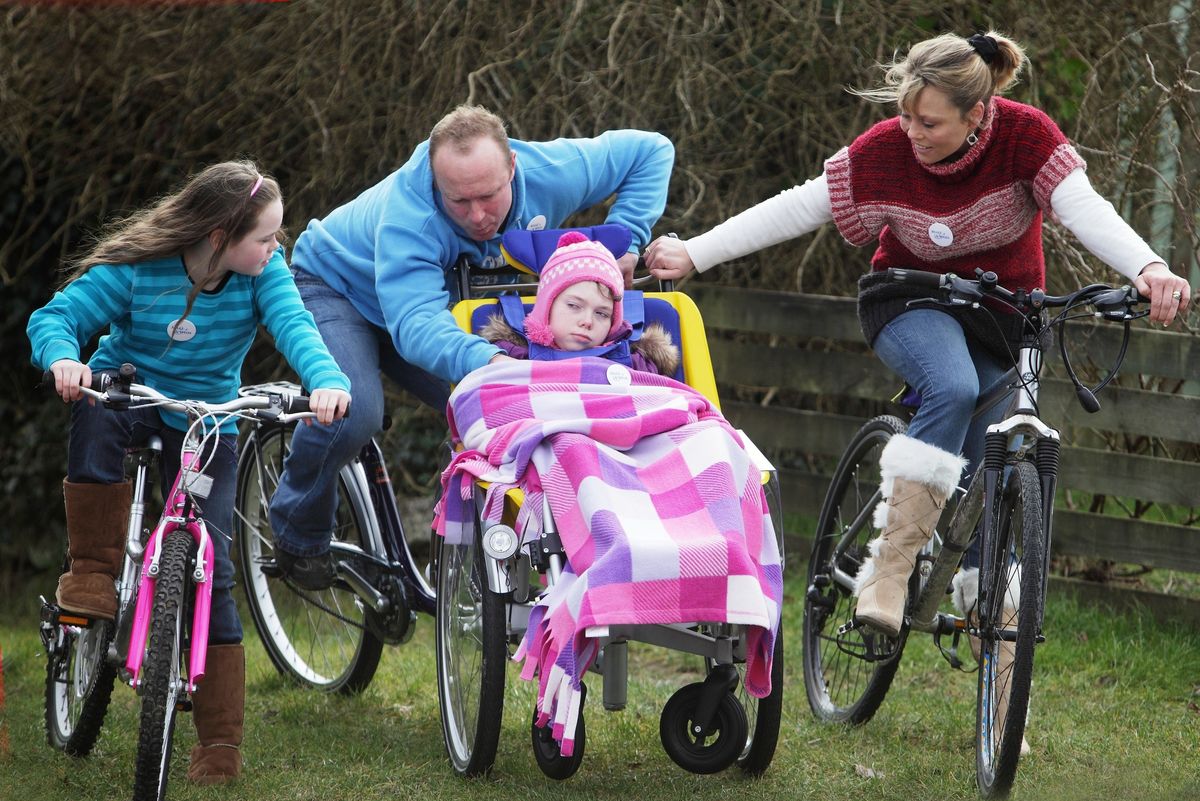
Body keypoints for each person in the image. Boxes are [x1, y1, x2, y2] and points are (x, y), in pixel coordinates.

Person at [645, 32, 1191, 641]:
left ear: (977, 115)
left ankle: (1004, 692)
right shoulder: (885, 151)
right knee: (952, 387)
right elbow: (799, 206)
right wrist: (696, 252)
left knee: (1004, 452)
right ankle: (890, 568)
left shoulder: (1026, 138)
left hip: (1004, 317)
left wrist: (1148, 266)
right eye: (905, 115)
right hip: (909, 301)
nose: (912, 131)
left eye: (928, 122)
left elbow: (1084, 206)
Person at [26, 161, 352, 785]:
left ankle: (219, 742)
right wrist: (66, 360)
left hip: (206, 424)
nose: (274, 247)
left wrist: (328, 381)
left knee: (217, 570)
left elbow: (298, 330)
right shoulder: (138, 268)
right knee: (96, 418)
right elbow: (54, 317)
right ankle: (93, 571)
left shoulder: (264, 275)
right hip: (130, 401)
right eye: (264, 237)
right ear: (219, 235)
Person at [268, 104, 675, 588]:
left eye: (488, 196)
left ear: (513, 169)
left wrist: (625, 244)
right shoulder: (411, 216)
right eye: (459, 202)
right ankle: (298, 531)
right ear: (437, 185)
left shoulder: (551, 171)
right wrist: (493, 361)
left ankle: (526, 554)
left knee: (512, 417)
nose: (478, 216)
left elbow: (651, 151)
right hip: (337, 290)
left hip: (427, 311)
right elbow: (416, 326)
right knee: (356, 413)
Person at [479, 231, 679, 375]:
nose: (587, 321)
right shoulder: (511, 357)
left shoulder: (638, 363)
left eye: (602, 313)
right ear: (546, 308)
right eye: (574, 306)